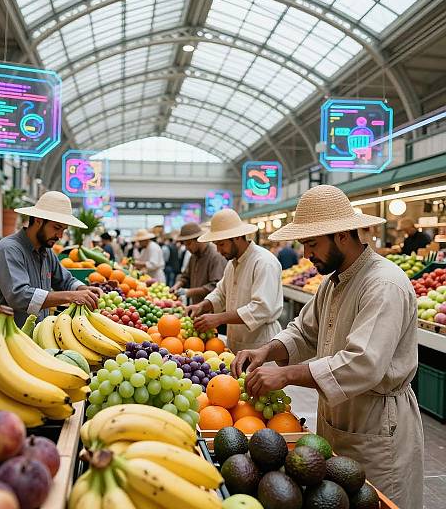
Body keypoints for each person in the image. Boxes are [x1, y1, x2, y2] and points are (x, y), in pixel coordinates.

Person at [231, 185, 423, 509]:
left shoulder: (383, 284)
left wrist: (286, 376)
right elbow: (304, 333)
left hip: (377, 424)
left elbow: (363, 363)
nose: (307, 254)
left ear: (343, 236)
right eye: (304, 244)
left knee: (373, 501)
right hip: (337, 418)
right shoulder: (333, 282)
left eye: (312, 243)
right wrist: (267, 350)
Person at [0, 191, 103, 327]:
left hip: (34, 337)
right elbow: (20, 296)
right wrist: (72, 296)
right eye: (57, 227)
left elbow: (64, 280)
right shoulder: (8, 250)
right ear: (38, 221)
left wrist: (83, 289)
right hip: (5, 339)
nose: (59, 235)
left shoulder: (46, 252)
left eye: (63, 230)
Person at [187, 209, 284, 353]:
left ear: (237, 237)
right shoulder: (231, 265)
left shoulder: (264, 262)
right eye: (216, 245)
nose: (219, 250)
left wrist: (218, 318)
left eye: (221, 244)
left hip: (261, 345)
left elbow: (261, 308)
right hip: (235, 343)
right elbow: (220, 293)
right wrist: (202, 305)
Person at [171, 222, 227, 305]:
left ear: (198, 239)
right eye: (185, 244)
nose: (187, 248)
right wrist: (177, 285)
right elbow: (185, 276)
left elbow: (215, 286)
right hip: (196, 305)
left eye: (189, 244)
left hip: (212, 309)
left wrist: (189, 292)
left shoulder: (215, 256)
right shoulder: (193, 256)